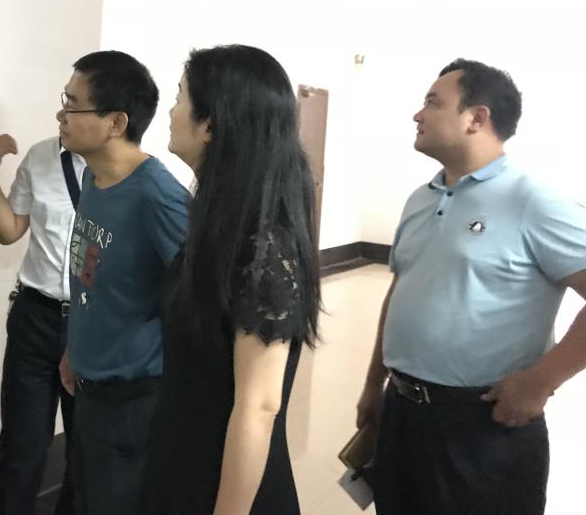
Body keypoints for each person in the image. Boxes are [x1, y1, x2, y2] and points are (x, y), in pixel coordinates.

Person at [355, 58, 586, 515]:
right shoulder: (420, 199)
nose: (418, 114)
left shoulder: (533, 201)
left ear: (477, 118)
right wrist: (373, 385)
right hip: (403, 412)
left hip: (483, 427)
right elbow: (401, 292)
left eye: (433, 103)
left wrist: (541, 381)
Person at [140, 44, 321, 515]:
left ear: (211, 124)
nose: (171, 112)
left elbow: (259, 407)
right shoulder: (220, 223)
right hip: (184, 460)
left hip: (228, 487)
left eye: (180, 98)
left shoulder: (265, 248)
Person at [56, 50, 191, 515]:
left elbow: (201, 298)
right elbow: (94, 282)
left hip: (134, 399)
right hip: (89, 386)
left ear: (116, 122)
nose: (61, 115)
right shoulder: (95, 179)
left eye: (73, 104)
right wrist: (76, 347)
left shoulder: (157, 195)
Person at [0, 133, 85, 514]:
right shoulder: (41, 156)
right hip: (35, 318)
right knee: (19, 452)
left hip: (90, 323)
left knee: (85, 456)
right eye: (63, 104)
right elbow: (10, 229)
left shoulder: (127, 170)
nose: (62, 116)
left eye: (73, 106)